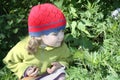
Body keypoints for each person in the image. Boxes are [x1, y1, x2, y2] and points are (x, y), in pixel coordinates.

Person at [3, 3, 71, 80]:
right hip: (32, 77)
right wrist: (25, 70)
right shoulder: (24, 46)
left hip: (50, 75)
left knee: (61, 76)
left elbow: (66, 58)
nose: (61, 36)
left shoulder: (61, 46)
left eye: (62, 31)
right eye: (55, 34)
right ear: (39, 36)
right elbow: (9, 61)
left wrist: (60, 65)